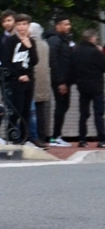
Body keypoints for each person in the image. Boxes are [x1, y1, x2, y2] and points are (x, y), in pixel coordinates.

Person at [0, 13, 38, 144]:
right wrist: (18, 75)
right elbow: (6, 61)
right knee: (17, 110)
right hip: (15, 81)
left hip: (29, 80)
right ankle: (13, 136)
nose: (22, 27)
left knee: (27, 110)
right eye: (19, 24)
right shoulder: (11, 41)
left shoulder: (31, 41)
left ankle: (26, 137)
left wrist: (30, 47)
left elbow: (35, 61)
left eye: (24, 24)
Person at [68, 29, 105, 148]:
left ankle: (82, 139)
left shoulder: (76, 52)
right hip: (96, 86)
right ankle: (102, 139)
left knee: (83, 113)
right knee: (98, 113)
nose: (96, 39)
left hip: (82, 86)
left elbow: (72, 69)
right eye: (95, 38)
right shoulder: (95, 52)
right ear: (91, 38)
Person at [46, 14, 75, 147]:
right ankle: (55, 136)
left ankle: (57, 135)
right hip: (60, 80)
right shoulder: (55, 40)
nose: (69, 27)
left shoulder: (64, 40)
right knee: (61, 105)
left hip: (65, 79)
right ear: (58, 26)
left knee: (64, 106)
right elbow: (54, 62)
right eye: (66, 24)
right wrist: (61, 82)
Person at [29, 21, 51, 148]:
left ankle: (34, 136)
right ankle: (43, 137)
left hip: (33, 81)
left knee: (32, 112)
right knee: (42, 111)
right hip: (44, 81)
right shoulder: (45, 44)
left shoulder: (30, 45)